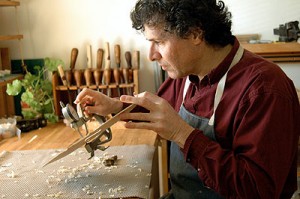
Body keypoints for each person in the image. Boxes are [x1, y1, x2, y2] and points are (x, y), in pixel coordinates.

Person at [75, 0, 300, 198]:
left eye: (160, 42)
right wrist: (114, 106)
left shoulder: (265, 89)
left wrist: (182, 134)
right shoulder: (185, 73)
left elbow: (258, 191)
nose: (151, 55)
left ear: (195, 33)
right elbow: (158, 113)